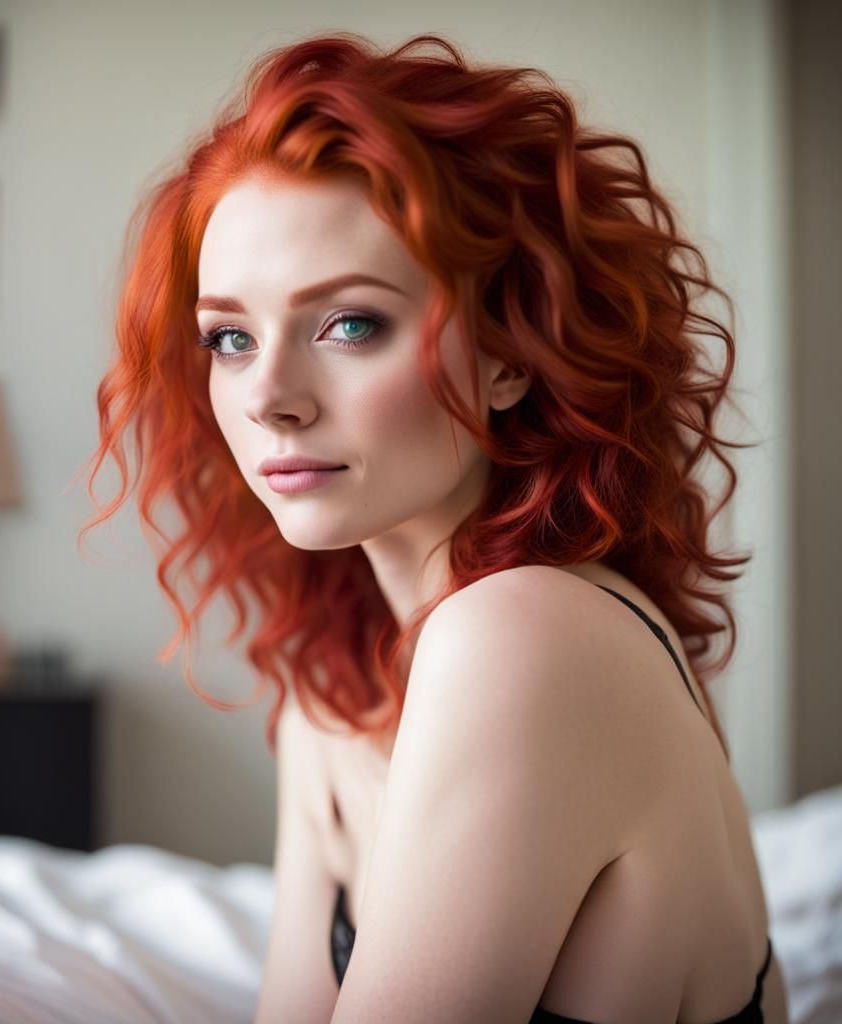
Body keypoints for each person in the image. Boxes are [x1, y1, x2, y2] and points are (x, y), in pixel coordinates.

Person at [80, 31, 789, 1024]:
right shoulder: (332, 687)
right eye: (230, 337)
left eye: (349, 323)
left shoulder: (529, 633)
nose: (268, 397)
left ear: (508, 354)